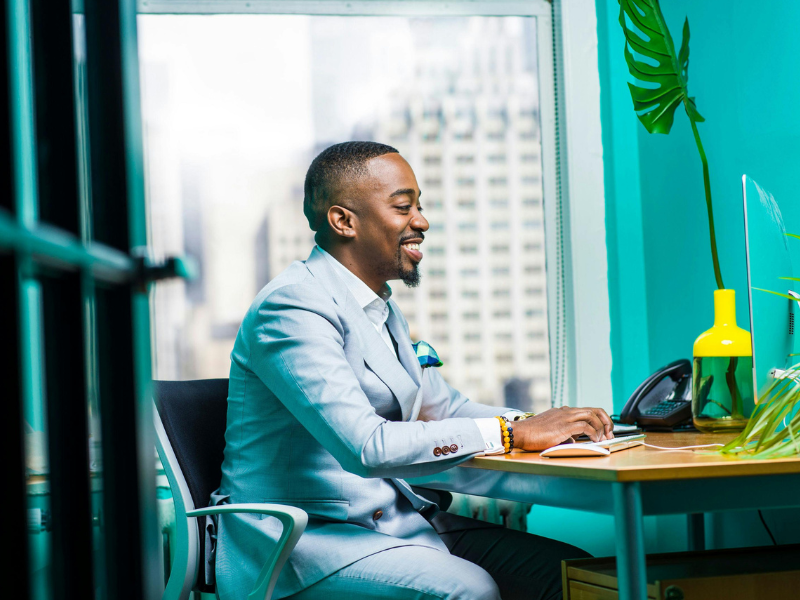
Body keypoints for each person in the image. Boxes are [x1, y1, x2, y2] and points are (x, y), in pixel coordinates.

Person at [212, 141, 614, 600]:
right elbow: (367, 447)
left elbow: (445, 408)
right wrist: (511, 433)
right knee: (469, 589)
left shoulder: (378, 308)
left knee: (568, 573)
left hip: (392, 526)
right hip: (303, 543)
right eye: (404, 207)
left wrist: (545, 425)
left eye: (419, 207)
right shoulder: (291, 307)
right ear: (343, 221)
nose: (421, 221)